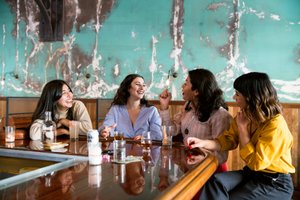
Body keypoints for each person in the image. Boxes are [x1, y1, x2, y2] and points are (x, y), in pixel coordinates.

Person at [186, 72, 295, 200]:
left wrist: (242, 129)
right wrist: (202, 143)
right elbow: (227, 141)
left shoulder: (276, 126)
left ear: (251, 97)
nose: (234, 97)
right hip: (251, 174)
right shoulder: (246, 116)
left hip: (275, 183)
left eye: (237, 94)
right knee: (215, 182)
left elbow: (256, 163)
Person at [159, 68, 232, 171]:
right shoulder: (188, 107)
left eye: (186, 83)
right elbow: (171, 131)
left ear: (196, 91)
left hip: (211, 170)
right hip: (189, 166)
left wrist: (203, 159)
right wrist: (164, 107)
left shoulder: (220, 115)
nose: (182, 86)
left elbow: (222, 155)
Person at [99, 74, 162, 140]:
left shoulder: (151, 111)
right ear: (128, 88)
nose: (142, 88)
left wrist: (144, 138)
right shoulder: (115, 109)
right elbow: (106, 127)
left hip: (144, 149)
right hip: (121, 149)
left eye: (143, 85)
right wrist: (105, 132)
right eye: (138, 84)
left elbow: (157, 135)